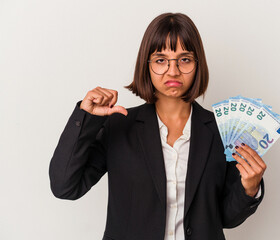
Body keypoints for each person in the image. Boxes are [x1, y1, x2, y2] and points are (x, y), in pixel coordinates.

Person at [49, 12, 266, 240]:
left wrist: (250, 188)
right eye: (161, 60)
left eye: (185, 59)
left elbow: (225, 218)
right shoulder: (119, 126)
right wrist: (86, 119)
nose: (173, 71)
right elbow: (65, 186)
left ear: (198, 64)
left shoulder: (223, 131)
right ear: (147, 64)